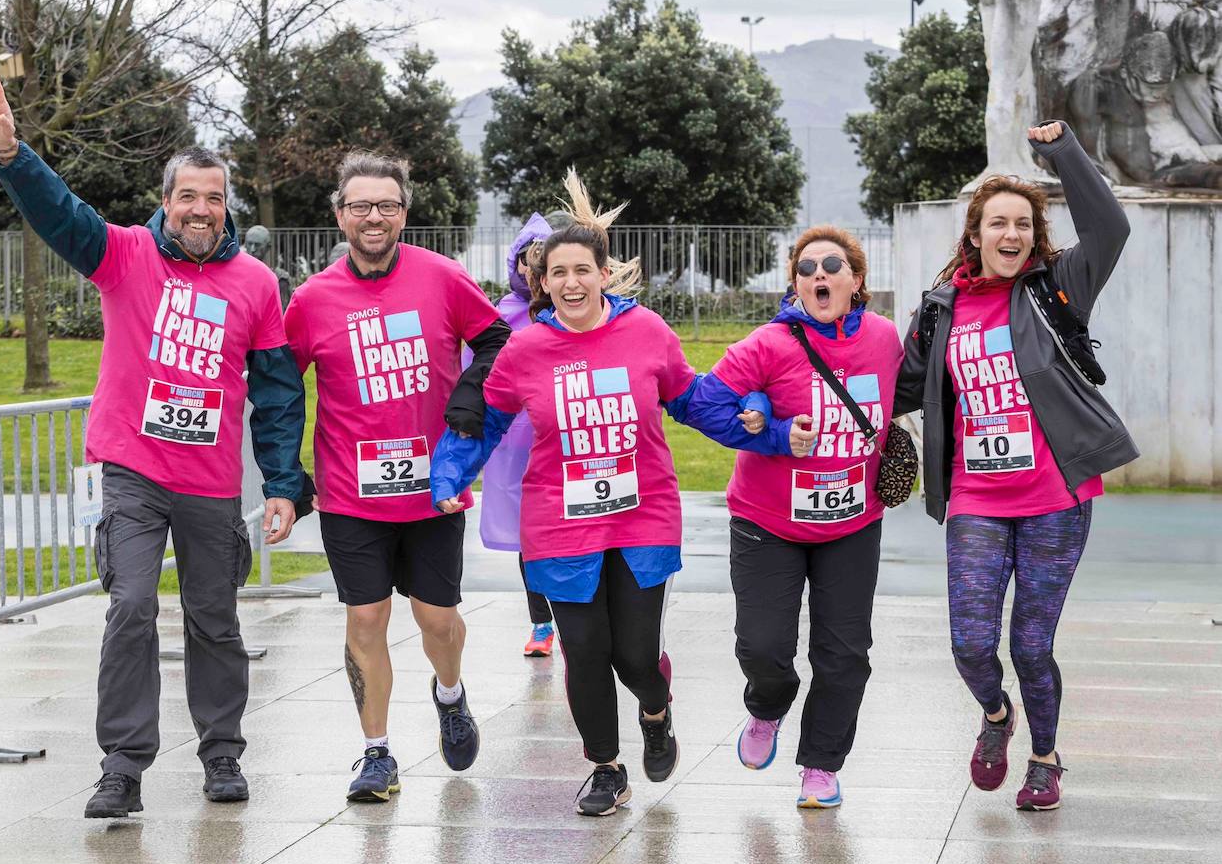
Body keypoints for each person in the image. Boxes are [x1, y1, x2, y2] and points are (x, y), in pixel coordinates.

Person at [0, 73, 313, 819]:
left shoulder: (256, 284)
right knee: (129, 604)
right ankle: (122, 766)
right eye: (187, 196)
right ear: (166, 201)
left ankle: (221, 753)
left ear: (228, 205)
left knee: (213, 615)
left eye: (213, 197)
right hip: (131, 467)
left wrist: (286, 484)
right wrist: (11, 154)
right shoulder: (124, 255)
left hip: (211, 479)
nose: (200, 209)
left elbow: (280, 394)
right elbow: (61, 216)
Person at [431, 170, 775, 816]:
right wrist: (448, 477)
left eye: (581, 270)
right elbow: (489, 421)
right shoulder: (527, 349)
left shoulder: (645, 332)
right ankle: (605, 767)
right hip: (558, 523)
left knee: (636, 655)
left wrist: (763, 430)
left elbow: (692, 399)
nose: (569, 283)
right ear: (543, 282)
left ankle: (654, 709)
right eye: (556, 273)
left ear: (602, 273)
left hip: (642, 514)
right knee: (585, 652)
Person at [894, 121, 1137, 811]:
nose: (1011, 235)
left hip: (1057, 495)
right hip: (976, 496)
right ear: (973, 235)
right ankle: (997, 717)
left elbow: (1111, 230)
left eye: (1023, 225)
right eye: (997, 223)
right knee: (972, 644)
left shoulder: (1057, 289)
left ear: (1034, 235)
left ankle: (1045, 757)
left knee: (1031, 643)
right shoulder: (940, 311)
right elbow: (899, 386)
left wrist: (1062, 154)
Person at [283, 150, 511, 803]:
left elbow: (497, 338)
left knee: (438, 621)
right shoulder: (313, 299)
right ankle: (376, 753)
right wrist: (287, 475)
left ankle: (450, 693)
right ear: (340, 214)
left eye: (386, 205)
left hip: (433, 492)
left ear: (404, 214)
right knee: (366, 620)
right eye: (360, 205)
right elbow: (280, 387)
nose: (373, 216)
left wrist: (470, 395)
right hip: (350, 496)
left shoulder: (440, 278)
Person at [691, 226, 904, 809]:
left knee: (844, 655)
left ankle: (820, 764)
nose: (818, 276)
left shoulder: (885, 340)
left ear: (856, 281)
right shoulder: (769, 344)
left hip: (853, 525)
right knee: (763, 649)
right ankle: (766, 707)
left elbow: (917, 392)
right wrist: (776, 434)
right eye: (806, 268)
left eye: (832, 266)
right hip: (766, 524)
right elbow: (702, 403)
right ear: (795, 285)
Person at [465, 213, 560, 657]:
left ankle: (579, 616)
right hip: (516, 445)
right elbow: (475, 373)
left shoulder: (577, 308)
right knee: (531, 534)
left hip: (568, 440)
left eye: (540, 259)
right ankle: (541, 622)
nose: (531, 269)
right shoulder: (499, 317)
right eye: (525, 258)